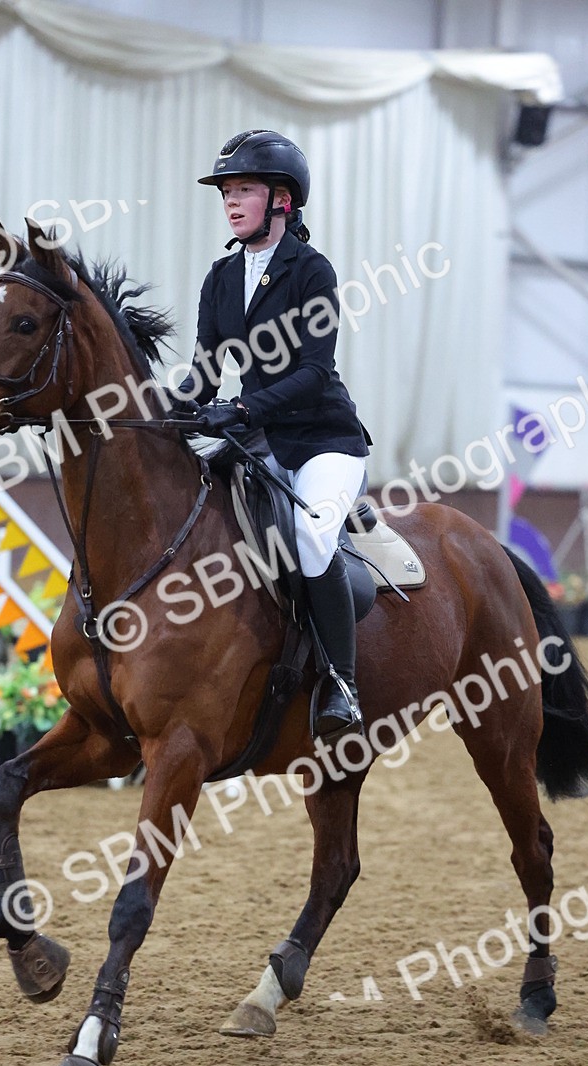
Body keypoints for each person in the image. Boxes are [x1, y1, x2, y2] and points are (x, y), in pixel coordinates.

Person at [172, 129, 370, 741]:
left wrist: (243, 409)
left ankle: (342, 683)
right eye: (226, 192)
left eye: (245, 190)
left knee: (312, 539)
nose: (231, 202)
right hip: (257, 444)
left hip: (323, 442)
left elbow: (314, 372)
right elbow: (206, 369)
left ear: (281, 200)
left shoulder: (313, 271)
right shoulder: (220, 277)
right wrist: (168, 409)